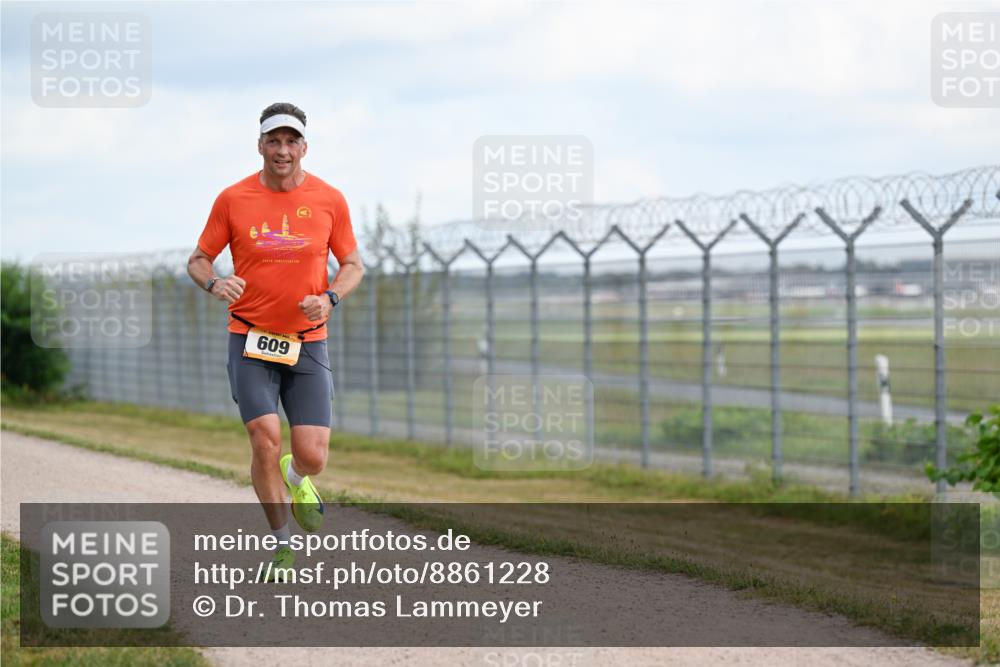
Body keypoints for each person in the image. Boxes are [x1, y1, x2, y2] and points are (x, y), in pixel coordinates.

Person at [187, 102, 365, 578]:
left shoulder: (329, 199)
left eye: (291, 141)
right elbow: (198, 260)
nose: (282, 150)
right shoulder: (233, 199)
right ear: (260, 144)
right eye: (273, 140)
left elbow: (353, 265)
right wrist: (214, 283)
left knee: (313, 456)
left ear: (305, 146)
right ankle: (283, 544)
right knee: (263, 440)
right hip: (249, 339)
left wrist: (329, 298)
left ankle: (297, 475)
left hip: (308, 340)